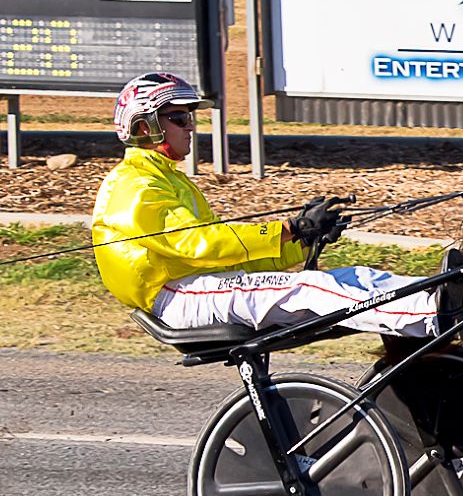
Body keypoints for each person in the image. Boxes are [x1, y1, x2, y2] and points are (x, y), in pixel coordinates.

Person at [91, 72, 440, 337]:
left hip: (199, 286)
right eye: (180, 119)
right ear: (144, 126)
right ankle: (428, 318)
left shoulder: (168, 178)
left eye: (191, 118)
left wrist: (302, 239)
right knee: (309, 289)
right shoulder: (134, 185)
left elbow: (231, 253)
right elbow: (203, 244)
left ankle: (435, 292)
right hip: (176, 296)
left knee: (352, 276)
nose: (191, 127)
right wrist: (287, 228)